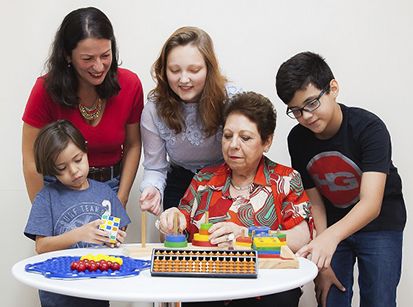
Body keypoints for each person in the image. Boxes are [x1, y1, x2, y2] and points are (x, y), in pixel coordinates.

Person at [275, 51, 406, 307]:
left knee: (379, 299)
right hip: (332, 223)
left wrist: (328, 239)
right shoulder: (297, 139)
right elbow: (314, 202)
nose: (307, 117)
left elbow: (371, 204)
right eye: (297, 111)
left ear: (333, 88)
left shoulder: (369, 128)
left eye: (312, 103)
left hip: (380, 223)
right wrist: (322, 262)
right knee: (331, 296)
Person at [159, 92, 313, 307]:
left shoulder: (285, 179)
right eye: (228, 135)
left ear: (266, 141)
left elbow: (301, 237)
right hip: (207, 288)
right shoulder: (204, 180)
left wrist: (245, 235)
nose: (233, 145)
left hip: (264, 289)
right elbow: (177, 232)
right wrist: (171, 220)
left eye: (246, 138)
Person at [22, 7, 143, 207]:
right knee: (62, 240)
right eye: (87, 59)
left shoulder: (129, 84)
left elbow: (133, 145)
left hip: (110, 187)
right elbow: (31, 161)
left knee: (106, 240)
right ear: (68, 56)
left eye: (105, 55)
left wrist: (121, 197)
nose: (98, 66)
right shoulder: (45, 89)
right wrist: (42, 213)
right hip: (59, 188)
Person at [24, 120, 131, 307]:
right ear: (51, 170)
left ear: (86, 150)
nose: (74, 171)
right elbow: (41, 246)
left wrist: (114, 238)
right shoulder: (47, 197)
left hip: (96, 291)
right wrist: (79, 234)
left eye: (78, 160)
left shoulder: (105, 192)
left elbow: (117, 234)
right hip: (58, 294)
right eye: (62, 168)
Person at [139, 26, 239, 216]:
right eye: (174, 70)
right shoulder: (155, 109)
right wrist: (152, 189)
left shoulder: (231, 99)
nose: (184, 79)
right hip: (180, 180)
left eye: (194, 70)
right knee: (173, 236)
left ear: (209, 69)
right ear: (163, 70)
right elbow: (155, 166)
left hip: (228, 177)